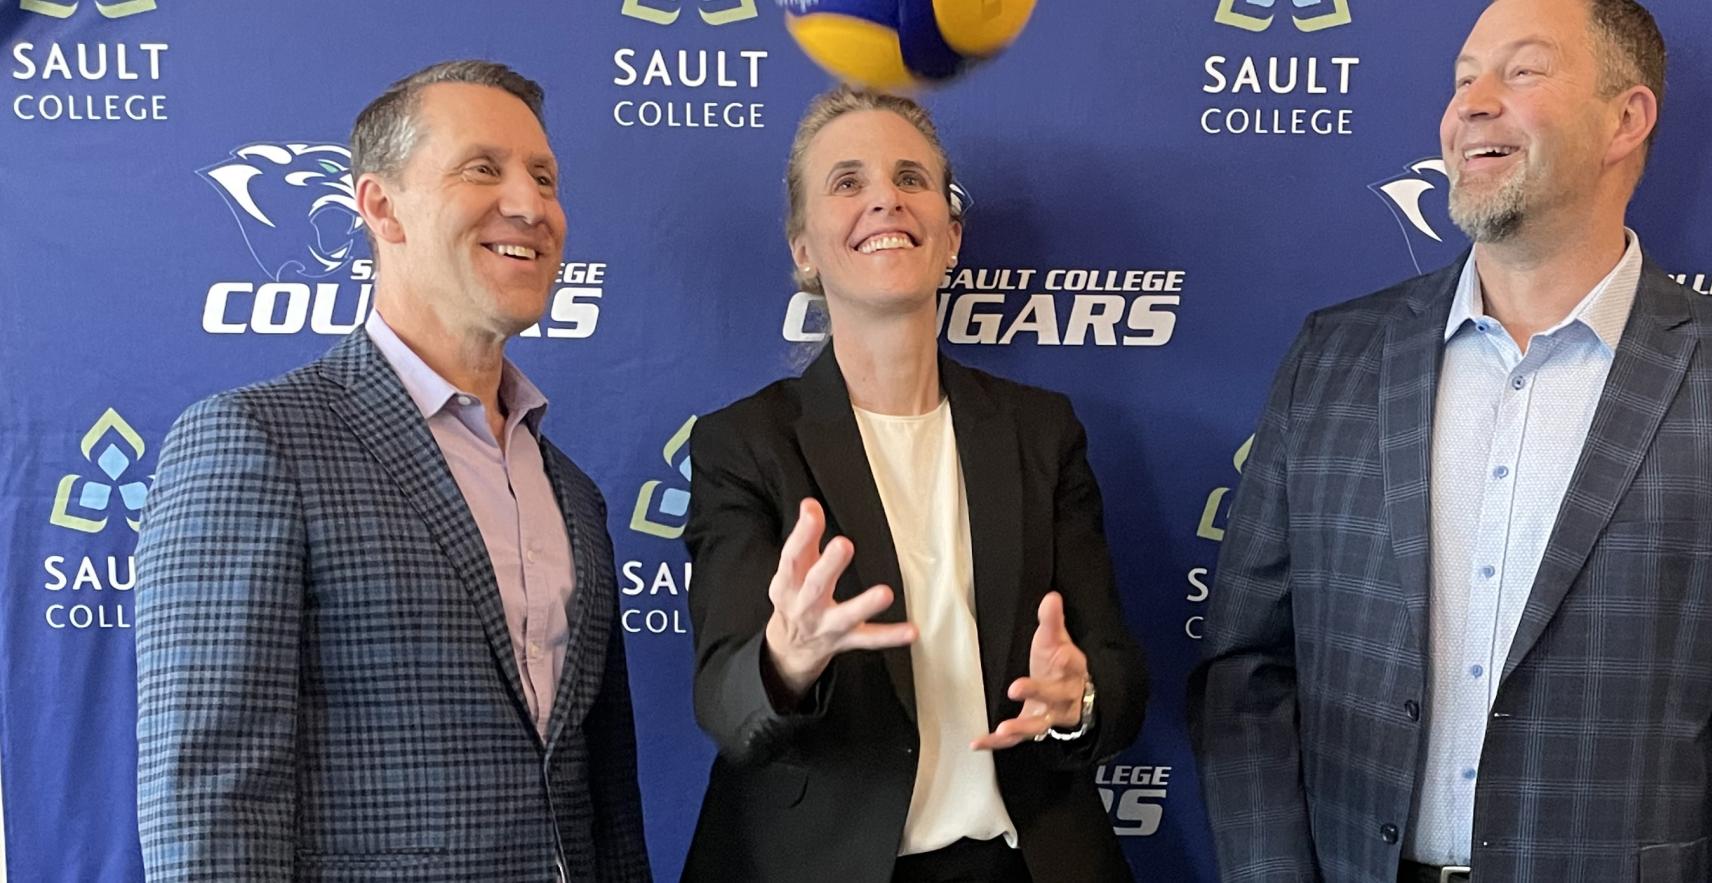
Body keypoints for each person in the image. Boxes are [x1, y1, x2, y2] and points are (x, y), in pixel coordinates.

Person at [1189, 1, 1712, 880]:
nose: (1471, 102)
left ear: (1626, 118)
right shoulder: (1334, 356)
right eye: (1464, 76)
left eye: (1521, 71)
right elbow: (1247, 670)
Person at [134, 60, 650, 882]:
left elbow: (602, 802)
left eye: (545, 177)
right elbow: (210, 801)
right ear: (379, 206)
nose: (530, 204)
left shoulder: (575, 495)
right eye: (483, 167)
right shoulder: (254, 441)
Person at [679, 85, 1148, 883]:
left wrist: (1077, 702)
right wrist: (786, 659)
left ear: (951, 234)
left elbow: (1118, 676)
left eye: (911, 178)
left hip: (1021, 860)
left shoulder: (1043, 431)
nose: (884, 200)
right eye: (847, 182)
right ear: (803, 247)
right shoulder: (744, 444)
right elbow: (727, 703)